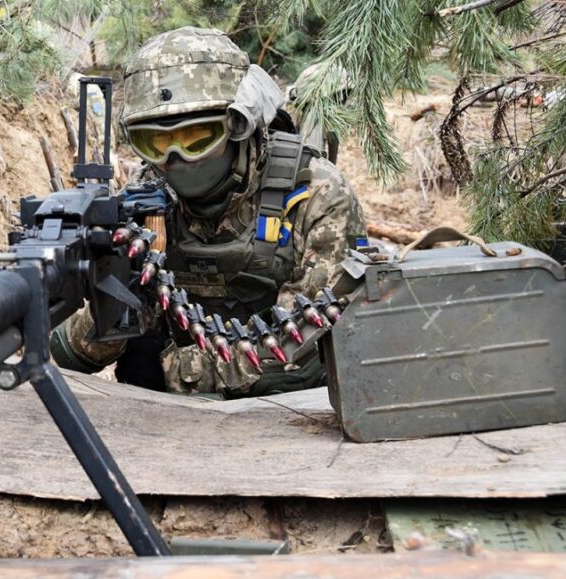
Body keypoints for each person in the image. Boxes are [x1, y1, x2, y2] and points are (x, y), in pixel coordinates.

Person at [49, 27, 368, 399]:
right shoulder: (147, 200)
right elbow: (75, 355)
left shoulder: (315, 193)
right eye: (154, 142)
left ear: (238, 124)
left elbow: (301, 345)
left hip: (293, 410)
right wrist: (121, 286)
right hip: (168, 417)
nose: (174, 159)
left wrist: (172, 371)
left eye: (195, 138)